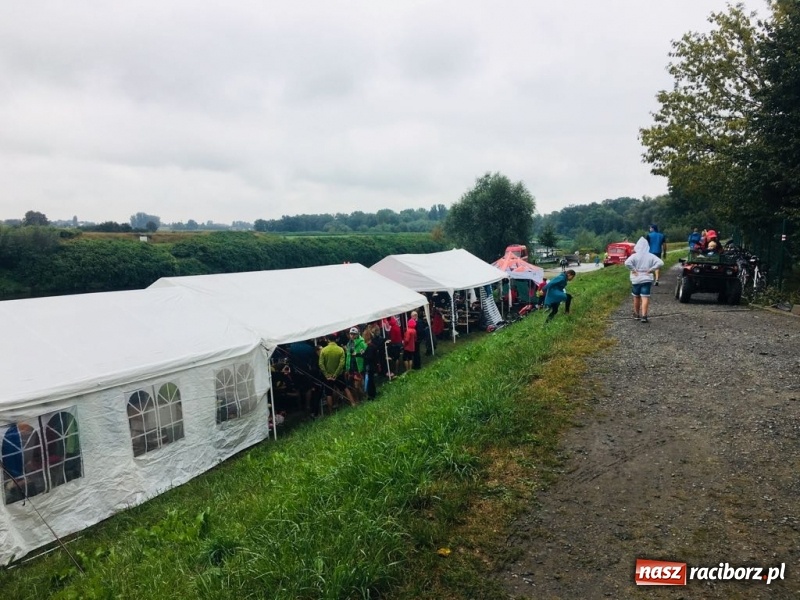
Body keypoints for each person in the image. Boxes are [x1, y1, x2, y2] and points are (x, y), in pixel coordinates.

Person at [625, 237, 664, 324]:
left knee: (636, 296)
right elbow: (661, 263)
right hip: (646, 278)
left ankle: (636, 314)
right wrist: (651, 269)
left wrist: (633, 270)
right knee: (645, 297)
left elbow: (627, 263)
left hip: (636, 279)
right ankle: (644, 316)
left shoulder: (634, 256)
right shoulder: (651, 256)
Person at [318, 334, 345, 414]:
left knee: (328, 393)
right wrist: (336, 374)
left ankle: (330, 412)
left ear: (328, 340)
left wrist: (326, 375)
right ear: (335, 340)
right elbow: (341, 363)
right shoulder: (340, 349)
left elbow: (321, 364)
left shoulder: (323, 350)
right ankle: (353, 403)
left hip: (328, 376)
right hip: (338, 375)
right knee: (344, 388)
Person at [344, 327, 367, 406]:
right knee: (353, 385)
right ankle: (358, 399)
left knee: (358, 384)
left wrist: (357, 354)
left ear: (357, 334)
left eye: (354, 334)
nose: (352, 336)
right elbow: (348, 356)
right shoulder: (349, 344)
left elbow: (365, 353)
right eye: (351, 334)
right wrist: (347, 367)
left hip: (359, 366)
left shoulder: (361, 343)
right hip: (351, 366)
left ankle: (364, 397)